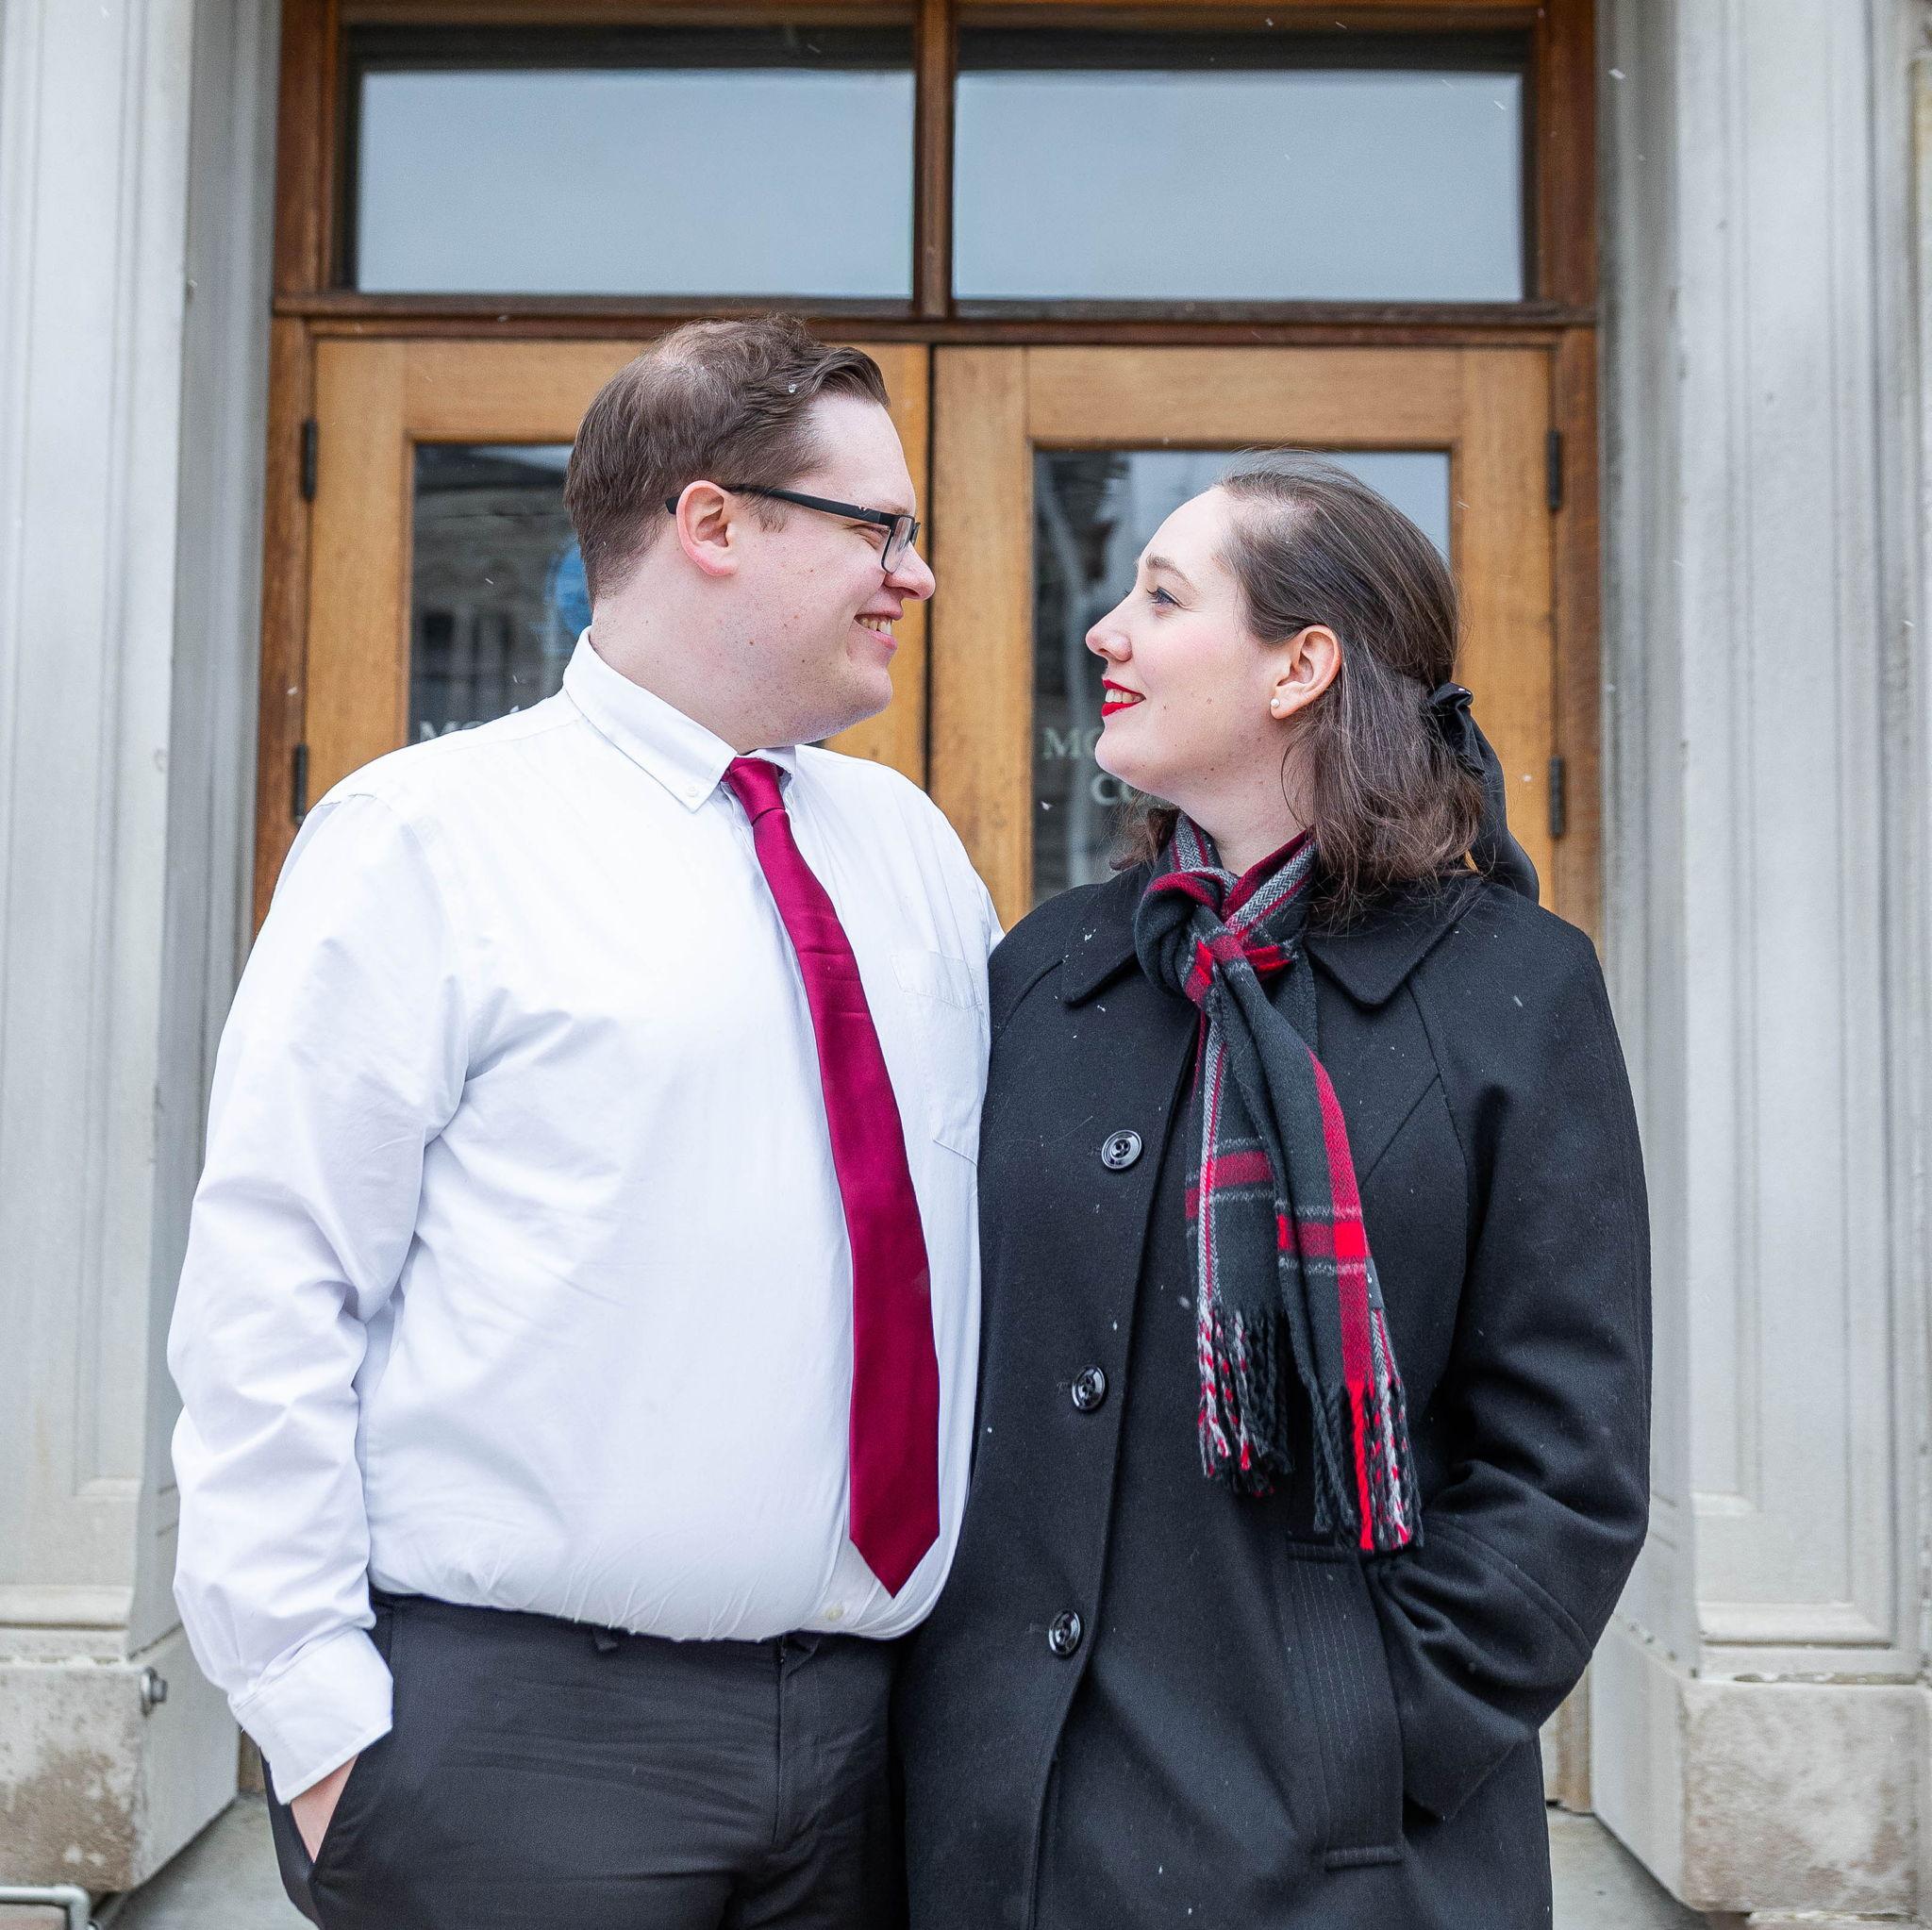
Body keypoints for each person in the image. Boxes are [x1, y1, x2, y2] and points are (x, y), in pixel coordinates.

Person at [169, 317, 995, 1930]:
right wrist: (321, 1726)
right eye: (879, 529)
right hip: (517, 1760)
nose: (918, 575)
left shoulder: (909, 853)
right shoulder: (425, 838)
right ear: (711, 523)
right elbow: (274, 1287)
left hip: (869, 1750)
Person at [894, 457, 1650, 1929]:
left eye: (1163, 599)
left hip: (1340, 1861)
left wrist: (1362, 1735)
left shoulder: (1512, 990)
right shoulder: (1052, 972)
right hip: (1007, 1833)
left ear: (1303, 665)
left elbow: (1570, 1460)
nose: (1106, 632)